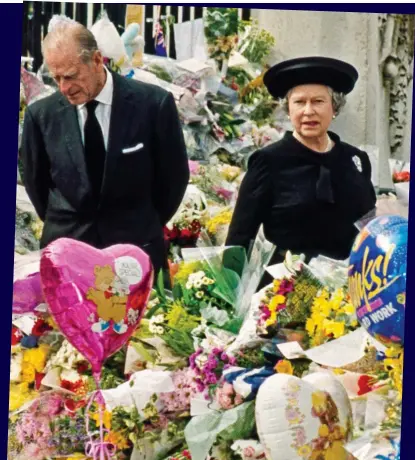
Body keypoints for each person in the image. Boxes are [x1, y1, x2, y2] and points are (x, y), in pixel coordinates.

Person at [21, 21, 189, 278]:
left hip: (136, 253)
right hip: (68, 258)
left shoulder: (153, 105)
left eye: (71, 75)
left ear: (97, 60)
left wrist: (140, 222)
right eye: (56, 78)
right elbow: (37, 185)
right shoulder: (41, 116)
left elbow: (174, 179)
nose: (64, 88)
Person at [225, 56, 377, 270]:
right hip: (285, 290)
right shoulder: (268, 161)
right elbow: (240, 237)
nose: (308, 111)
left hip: (351, 286)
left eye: (318, 101)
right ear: (288, 109)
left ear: (335, 108)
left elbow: (369, 225)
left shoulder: (356, 160)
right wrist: (231, 292)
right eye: (299, 102)